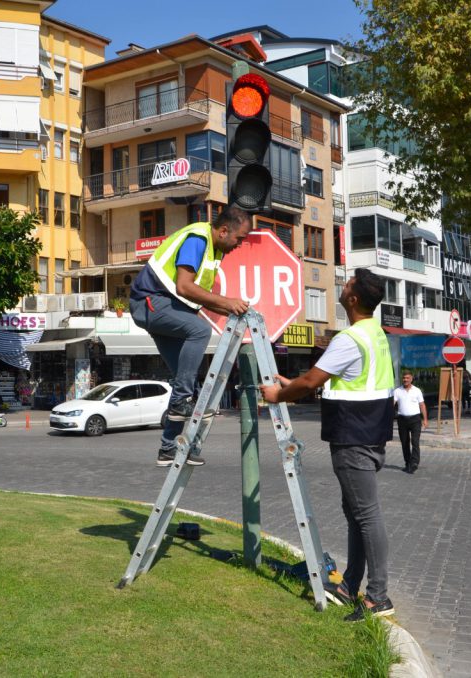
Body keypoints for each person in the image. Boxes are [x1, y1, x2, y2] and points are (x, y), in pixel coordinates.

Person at [260, 268, 395, 622]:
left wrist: (279, 394)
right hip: (371, 434)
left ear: (352, 299)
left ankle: (378, 596)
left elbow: (310, 380)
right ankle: (351, 583)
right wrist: (296, 385)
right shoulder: (374, 334)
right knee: (357, 514)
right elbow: (333, 380)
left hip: (353, 437)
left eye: (347, 284)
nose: (343, 285)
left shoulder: (349, 339)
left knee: (366, 515)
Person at [129, 207, 253, 468]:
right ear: (223, 231)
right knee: (199, 331)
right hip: (150, 302)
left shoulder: (214, 250)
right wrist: (228, 302)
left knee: (184, 381)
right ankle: (180, 401)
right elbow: (184, 286)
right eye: (239, 238)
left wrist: (236, 309)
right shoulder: (198, 239)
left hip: (169, 307)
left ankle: (167, 449)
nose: (239, 245)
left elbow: (198, 300)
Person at [393, 370, 428, 474]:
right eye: (404, 378)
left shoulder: (417, 391)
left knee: (415, 442)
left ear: (411, 379)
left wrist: (425, 419)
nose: (405, 380)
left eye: (407, 378)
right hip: (402, 420)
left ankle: (414, 463)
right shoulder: (397, 391)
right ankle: (407, 463)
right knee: (404, 443)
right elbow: (392, 404)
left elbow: (422, 405)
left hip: (415, 419)